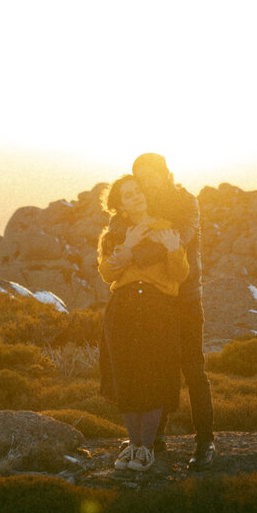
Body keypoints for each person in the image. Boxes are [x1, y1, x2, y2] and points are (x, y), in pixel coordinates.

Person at [126, 152, 216, 469]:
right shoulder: (142, 205)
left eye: (151, 175)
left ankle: (205, 442)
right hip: (155, 299)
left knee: (193, 369)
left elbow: (179, 238)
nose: (146, 181)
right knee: (157, 368)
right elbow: (118, 237)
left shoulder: (185, 202)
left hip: (187, 297)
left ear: (165, 173)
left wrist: (136, 254)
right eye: (141, 176)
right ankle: (156, 437)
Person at [97, 174, 189, 472]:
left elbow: (179, 275)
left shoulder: (166, 228)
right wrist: (129, 243)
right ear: (120, 205)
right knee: (126, 375)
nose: (135, 196)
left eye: (138, 191)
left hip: (156, 308)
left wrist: (174, 248)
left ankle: (146, 449)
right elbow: (108, 273)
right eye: (127, 194)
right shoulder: (114, 234)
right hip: (122, 308)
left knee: (154, 375)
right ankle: (134, 446)